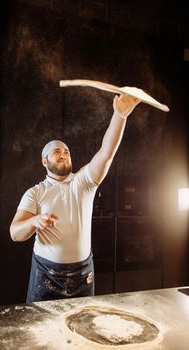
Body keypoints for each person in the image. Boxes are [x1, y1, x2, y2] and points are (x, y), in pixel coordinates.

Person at [10, 93, 140, 303]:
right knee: (40, 331)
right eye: (56, 151)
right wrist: (34, 221)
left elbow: (106, 153)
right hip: (46, 273)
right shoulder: (35, 192)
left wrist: (120, 116)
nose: (63, 154)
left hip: (83, 274)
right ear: (44, 161)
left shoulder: (84, 181)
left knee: (80, 328)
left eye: (67, 151)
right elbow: (15, 233)